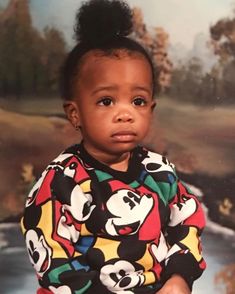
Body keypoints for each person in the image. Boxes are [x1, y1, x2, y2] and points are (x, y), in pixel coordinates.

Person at [21, 0, 206, 293]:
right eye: (106, 101)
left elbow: (187, 223)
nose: (125, 113)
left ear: (151, 108)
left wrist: (178, 279)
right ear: (75, 113)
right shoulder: (61, 182)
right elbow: (54, 266)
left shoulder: (158, 170)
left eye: (138, 101)